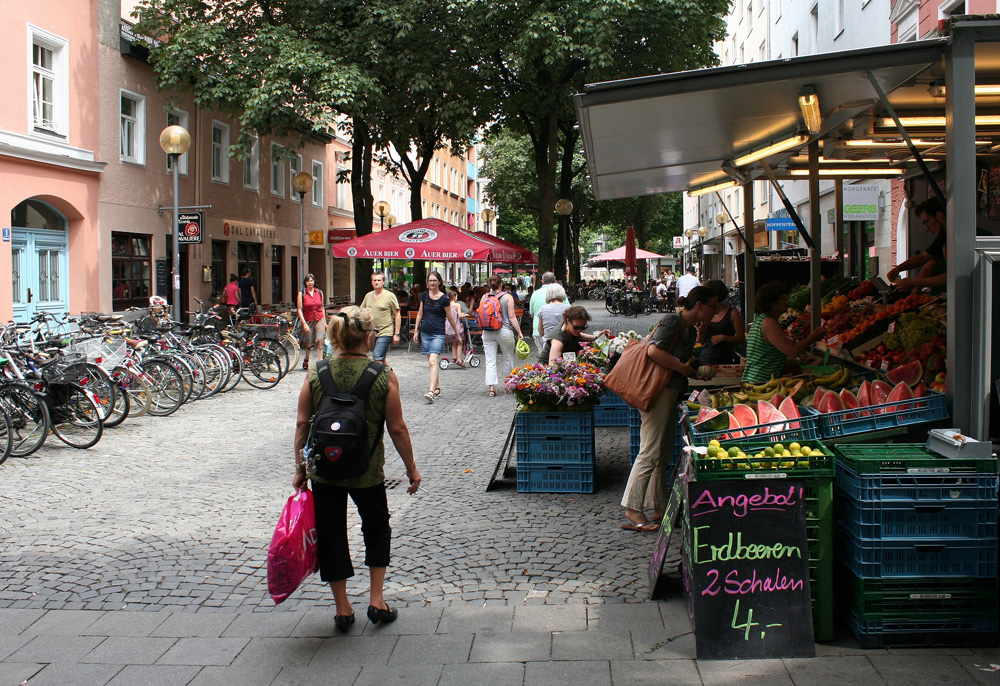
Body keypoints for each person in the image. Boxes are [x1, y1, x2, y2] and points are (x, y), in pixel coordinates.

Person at [292, 306, 421, 632]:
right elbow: (397, 429)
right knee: (377, 528)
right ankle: (376, 600)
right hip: (368, 472)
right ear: (368, 336)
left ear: (334, 335)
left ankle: (343, 608)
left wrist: (300, 469)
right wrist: (411, 469)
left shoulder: (317, 372)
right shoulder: (382, 374)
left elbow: (302, 423)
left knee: (331, 533)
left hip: (325, 473)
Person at [621, 286, 720, 532]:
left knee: (662, 453)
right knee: (650, 451)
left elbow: (680, 362)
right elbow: (654, 351)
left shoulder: (687, 328)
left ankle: (658, 505)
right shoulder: (672, 320)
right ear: (699, 305)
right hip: (658, 392)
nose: (715, 312)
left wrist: (695, 370)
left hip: (669, 391)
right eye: (712, 306)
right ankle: (633, 508)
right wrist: (682, 368)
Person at [742, 283, 826, 384]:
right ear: (773, 304)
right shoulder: (769, 323)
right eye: (783, 298)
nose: (787, 300)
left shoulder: (760, 320)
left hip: (755, 379)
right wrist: (812, 338)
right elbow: (793, 351)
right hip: (762, 382)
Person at [413, 271, 460, 403]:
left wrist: (457, 334)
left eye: (434, 280)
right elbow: (420, 313)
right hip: (425, 332)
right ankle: (438, 388)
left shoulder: (444, 299)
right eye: (430, 280)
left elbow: (450, 317)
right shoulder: (424, 296)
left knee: (433, 361)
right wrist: (416, 331)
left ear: (439, 282)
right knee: (431, 362)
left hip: (438, 333)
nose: (432, 283)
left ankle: (431, 391)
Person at [888, 197, 948, 293]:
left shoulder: (958, 239)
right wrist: (899, 268)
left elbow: (952, 276)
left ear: (939, 216)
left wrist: (914, 282)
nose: (926, 228)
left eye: (926, 222)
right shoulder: (942, 239)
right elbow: (923, 258)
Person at [482, 274, 525, 397]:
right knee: (507, 357)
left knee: (490, 360)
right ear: (501, 284)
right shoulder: (507, 297)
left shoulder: (484, 297)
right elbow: (512, 318)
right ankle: (508, 385)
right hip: (504, 330)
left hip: (487, 331)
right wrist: (519, 332)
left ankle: (491, 388)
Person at [539, 305, 611, 364]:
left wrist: (596, 337)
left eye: (583, 327)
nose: (579, 330)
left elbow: (578, 335)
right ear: (568, 321)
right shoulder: (558, 342)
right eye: (576, 327)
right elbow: (552, 366)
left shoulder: (568, 327)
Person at [698, 279, 745, 365]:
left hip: (724, 360)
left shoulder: (733, 313)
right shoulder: (706, 313)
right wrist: (701, 331)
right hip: (706, 359)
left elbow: (741, 338)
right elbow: (701, 341)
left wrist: (724, 337)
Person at [360, 272, 401, 362]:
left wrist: (396, 334)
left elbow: (397, 315)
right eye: (374, 280)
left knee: (377, 357)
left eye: (379, 280)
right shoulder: (368, 295)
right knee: (380, 358)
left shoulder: (390, 296)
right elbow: (362, 312)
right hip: (372, 332)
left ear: (383, 282)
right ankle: (389, 375)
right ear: (371, 282)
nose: (377, 282)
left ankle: (376, 376)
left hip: (385, 331)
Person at [296, 274, 327, 370]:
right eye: (308, 281)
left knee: (320, 339)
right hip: (308, 319)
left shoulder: (319, 292)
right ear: (305, 282)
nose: (310, 282)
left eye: (312, 280)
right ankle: (307, 358)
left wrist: (324, 321)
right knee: (308, 342)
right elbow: (299, 309)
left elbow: (322, 307)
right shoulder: (302, 294)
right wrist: (304, 323)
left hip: (319, 318)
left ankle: (320, 362)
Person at [529, 272, 556, 353]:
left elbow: (532, 314)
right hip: (554, 330)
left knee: (542, 356)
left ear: (542, 281)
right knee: (553, 358)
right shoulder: (558, 293)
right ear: (555, 281)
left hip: (537, 330)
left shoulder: (535, 293)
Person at [444, 290, 466, 367]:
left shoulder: (447, 304)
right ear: (454, 297)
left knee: (454, 343)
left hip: (449, 326)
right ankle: (459, 359)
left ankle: (454, 357)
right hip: (456, 326)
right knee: (460, 342)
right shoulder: (457, 305)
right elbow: (459, 315)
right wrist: (465, 315)